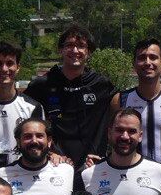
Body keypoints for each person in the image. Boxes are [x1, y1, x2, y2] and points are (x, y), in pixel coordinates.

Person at [24, 24, 115, 166]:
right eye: (69, 45)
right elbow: (25, 121)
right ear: (60, 50)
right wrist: (49, 153)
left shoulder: (102, 85)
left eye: (81, 46)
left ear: (89, 52)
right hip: (53, 163)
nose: (75, 50)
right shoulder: (41, 85)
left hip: (91, 164)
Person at [109, 38, 161, 162]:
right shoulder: (120, 99)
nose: (148, 62)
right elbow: (112, 139)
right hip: (132, 170)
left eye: (153, 57)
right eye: (142, 58)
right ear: (134, 64)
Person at [0, 42, 44, 161]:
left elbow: (41, 143)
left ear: (18, 67)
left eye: (9, 63)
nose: (4, 69)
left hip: (21, 170)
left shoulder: (33, 107)